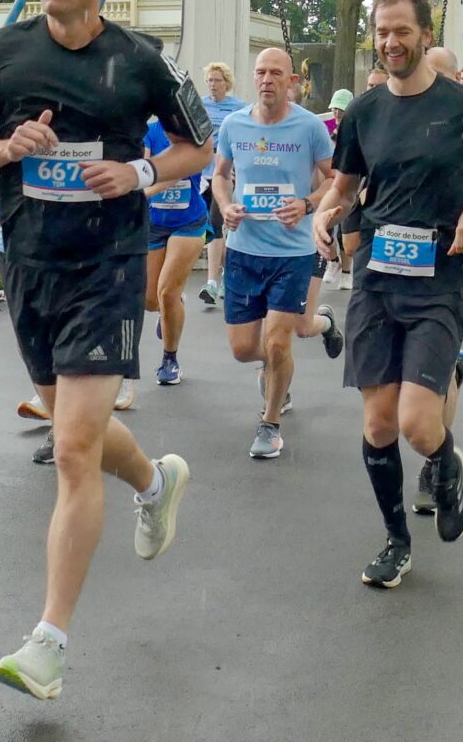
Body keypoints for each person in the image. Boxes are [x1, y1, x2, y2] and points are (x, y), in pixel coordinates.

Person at [0, 0, 203, 701]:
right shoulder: (5, 52)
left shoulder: (140, 59)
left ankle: (48, 642)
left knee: (70, 451)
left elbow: (199, 149)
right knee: (74, 432)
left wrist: (140, 172)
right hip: (31, 265)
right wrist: (5, 150)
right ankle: (155, 483)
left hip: (108, 264)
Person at [316, 0, 463, 589]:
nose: (390, 42)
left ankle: (445, 461)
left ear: (426, 35)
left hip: (443, 275)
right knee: (378, 424)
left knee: (415, 425)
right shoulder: (363, 113)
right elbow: (346, 186)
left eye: (402, 30)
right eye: (382, 32)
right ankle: (396, 540)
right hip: (378, 275)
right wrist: (325, 214)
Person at [212, 46, 342, 460]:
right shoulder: (234, 125)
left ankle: (270, 422)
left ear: (291, 81)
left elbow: (335, 179)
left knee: (279, 343)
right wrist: (227, 204)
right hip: (244, 250)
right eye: (261, 72)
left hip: (292, 252)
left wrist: (306, 204)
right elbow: (219, 176)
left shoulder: (310, 128)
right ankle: (279, 367)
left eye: (276, 73)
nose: (267, 80)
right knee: (243, 348)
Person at [143, 113, 212, 385]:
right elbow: (143, 163)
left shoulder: (193, 129)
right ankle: (169, 306)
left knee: (166, 291)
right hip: (155, 221)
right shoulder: (149, 130)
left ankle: (169, 359)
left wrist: (144, 192)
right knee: (150, 300)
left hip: (189, 220)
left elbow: (178, 171)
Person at [196, 60, 241, 308]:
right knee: (205, 226)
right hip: (199, 174)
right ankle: (218, 279)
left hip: (223, 174)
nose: (213, 85)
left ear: (226, 83)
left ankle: (214, 281)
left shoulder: (238, 108)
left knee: (217, 224)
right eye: (210, 80)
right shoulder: (199, 105)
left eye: (217, 80)